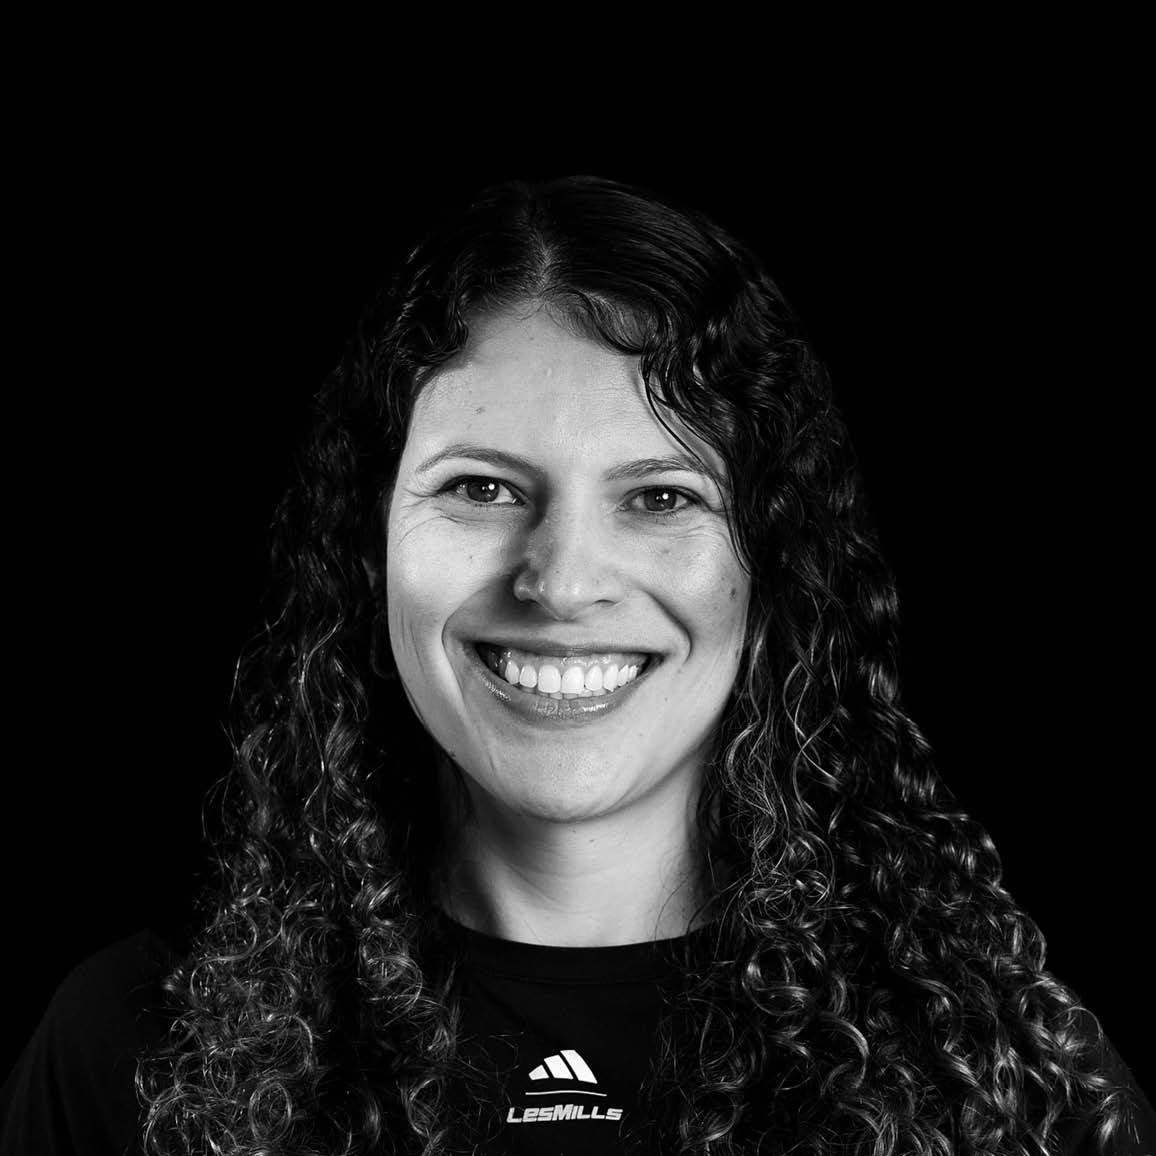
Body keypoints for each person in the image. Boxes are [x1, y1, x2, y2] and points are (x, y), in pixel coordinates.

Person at [2, 175, 1152, 1155]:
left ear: (771, 562)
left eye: (660, 497)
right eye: (481, 487)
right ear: (370, 541)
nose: (560, 582)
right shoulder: (135, 1050)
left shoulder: (1004, 1076)